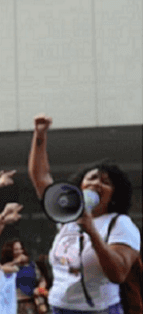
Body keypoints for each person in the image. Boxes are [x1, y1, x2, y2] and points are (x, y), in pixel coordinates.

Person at [28, 114, 140, 314]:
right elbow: (41, 177)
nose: (96, 183)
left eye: (106, 182)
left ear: (114, 195)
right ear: (80, 186)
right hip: (59, 308)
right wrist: (40, 136)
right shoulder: (68, 216)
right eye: (92, 178)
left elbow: (118, 273)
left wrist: (92, 232)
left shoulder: (120, 224)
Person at [2, 238, 40, 314]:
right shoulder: (8, 266)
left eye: (21, 249)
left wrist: (39, 290)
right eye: (16, 250)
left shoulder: (31, 265)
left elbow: (41, 279)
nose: (20, 252)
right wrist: (16, 262)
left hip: (29, 302)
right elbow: (1, 270)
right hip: (13, 304)